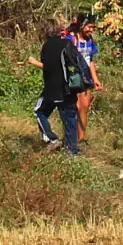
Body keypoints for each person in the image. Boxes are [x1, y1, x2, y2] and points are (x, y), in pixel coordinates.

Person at [34, 17, 84, 154]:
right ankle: (72, 151)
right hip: (71, 88)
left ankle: (52, 138)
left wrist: (33, 62)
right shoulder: (67, 44)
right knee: (70, 120)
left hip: (53, 90)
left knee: (39, 112)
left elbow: (48, 68)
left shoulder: (47, 47)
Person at [70, 14, 103, 137]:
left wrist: (95, 80)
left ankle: (81, 138)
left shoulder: (90, 41)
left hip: (87, 79)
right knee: (74, 108)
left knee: (84, 108)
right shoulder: (71, 39)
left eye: (93, 28)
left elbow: (91, 61)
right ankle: (71, 137)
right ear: (81, 25)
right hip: (73, 78)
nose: (91, 30)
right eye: (89, 27)